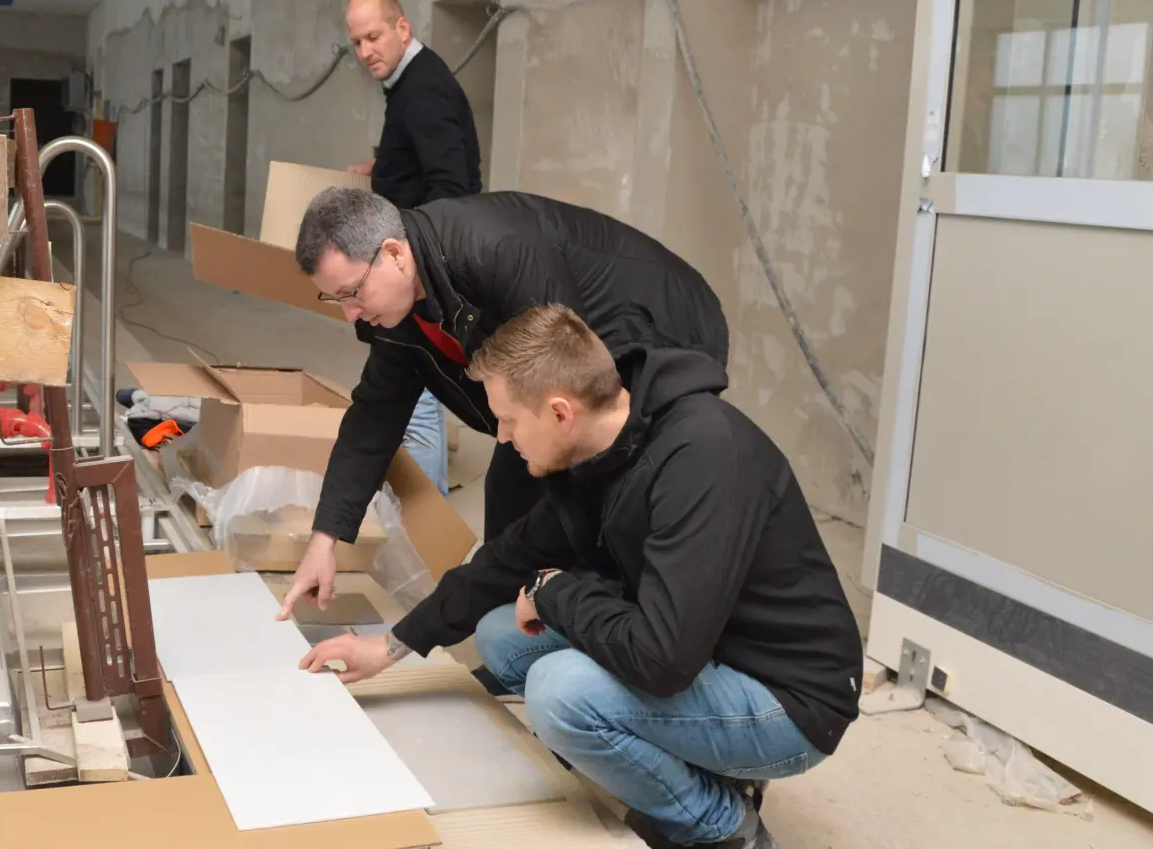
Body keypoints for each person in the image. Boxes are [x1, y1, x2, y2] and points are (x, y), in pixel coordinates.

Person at [299, 304, 864, 849]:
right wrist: (390, 647)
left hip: (787, 700)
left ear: (560, 412)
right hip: (704, 648)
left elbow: (664, 659)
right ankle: (678, 757)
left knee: (559, 692)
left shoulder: (702, 459)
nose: (502, 437)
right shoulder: (602, 448)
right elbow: (505, 560)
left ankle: (720, 825)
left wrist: (554, 593)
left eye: (508, 420)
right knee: (500, 635)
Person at [275, 186, 728, 630]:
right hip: (571, 346)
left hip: (659, 322)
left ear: (394, 253)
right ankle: (513, 634)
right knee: (512, 492)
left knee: (608, 487)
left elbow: (565, 369)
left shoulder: (496, 251)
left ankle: (619, 625)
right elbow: (374, 415)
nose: (349, 314)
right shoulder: (395, 309)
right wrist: (325, 538)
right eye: (335, 299)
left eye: (352, 292)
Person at [342, 0, 484, 497]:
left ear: (402, 28)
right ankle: (422, 518)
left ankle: (425, 524)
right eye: (357, 42)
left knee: (414, 399)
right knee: (413, 391)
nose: (365, 51)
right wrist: (380, 166)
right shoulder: (409, 83)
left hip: (421, 272)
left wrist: (413, 269)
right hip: (413, 266)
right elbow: (426, 152)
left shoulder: (423, 89)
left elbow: (451, 186)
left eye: (374, 36)